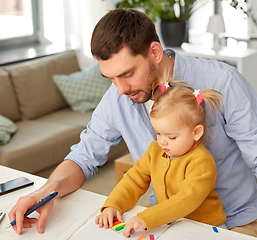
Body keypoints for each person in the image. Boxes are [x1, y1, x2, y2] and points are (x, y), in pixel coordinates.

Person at [8, 8, 257, 240]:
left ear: (154, 52)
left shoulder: (223, 81)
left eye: (126, 74)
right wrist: (46, 191)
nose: (120, 89)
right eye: (110, 78)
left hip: (229, 221)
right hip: (161, 218)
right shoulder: (119, 97)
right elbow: (84, 155)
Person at [95, 77, 226, 237]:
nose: (162, 141)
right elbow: (134, 180)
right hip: (170, 224)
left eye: (171, 137)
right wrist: (114, 204)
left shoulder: (201, 161)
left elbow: (185, 200)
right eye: (158, 133)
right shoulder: (155, 150)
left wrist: (146, 218)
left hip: (205, 228)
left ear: (196, 132)